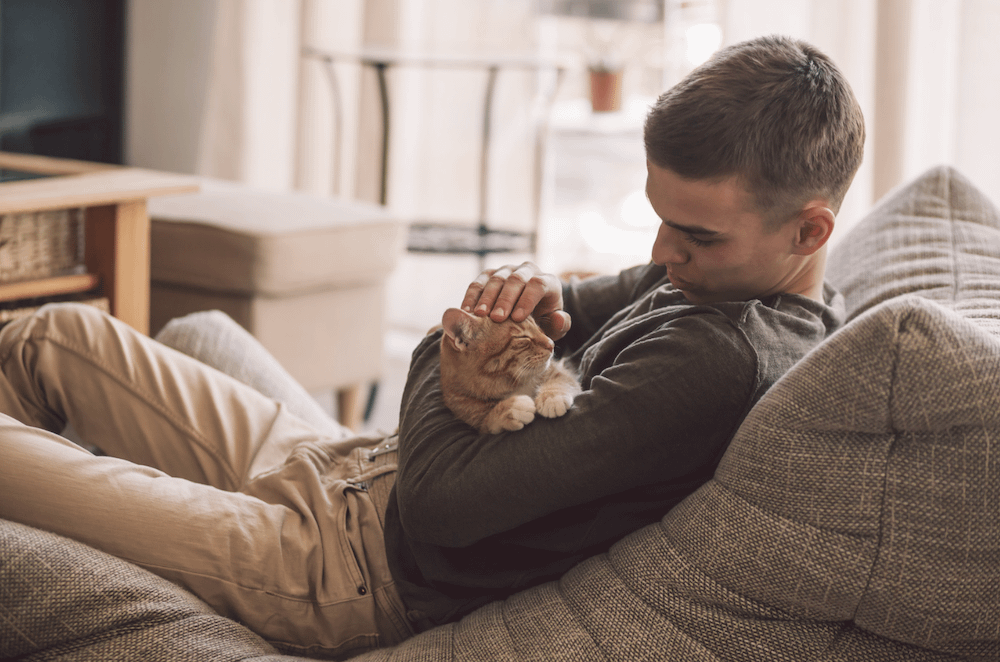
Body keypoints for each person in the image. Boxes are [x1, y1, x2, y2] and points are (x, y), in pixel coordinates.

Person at [0, 35, 863, 656]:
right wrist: (524, 291)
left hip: (336, 573)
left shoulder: (718, 360)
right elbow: (563, 306)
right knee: (56, 331)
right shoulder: (707, 281)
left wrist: (434, 347)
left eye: (696, 234)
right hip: (343, 465)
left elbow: (449, 504)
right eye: (658, 218)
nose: (660, 254)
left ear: (808, 229)